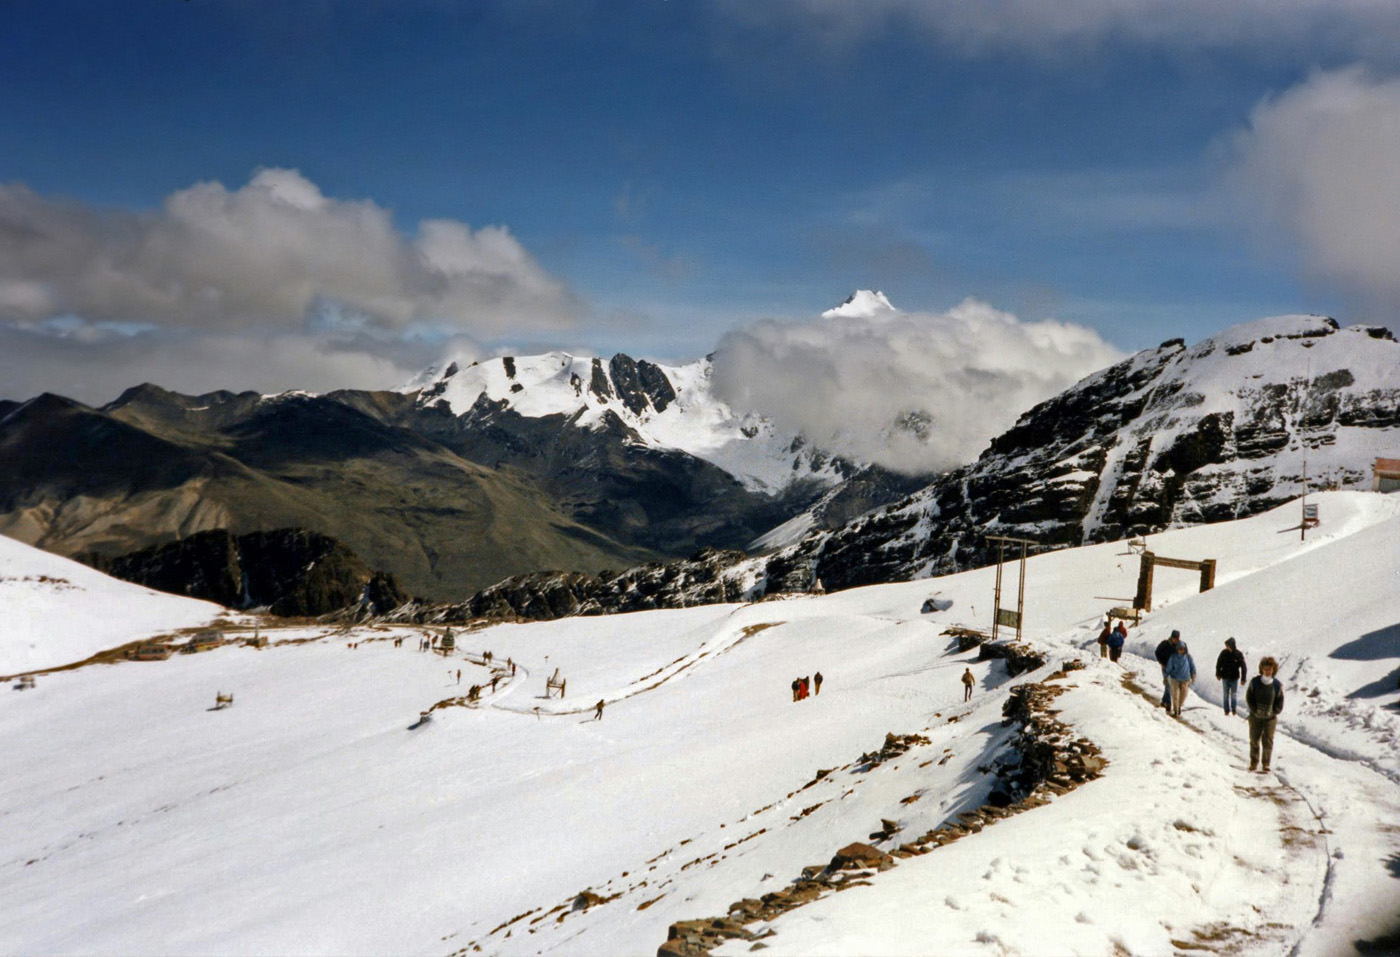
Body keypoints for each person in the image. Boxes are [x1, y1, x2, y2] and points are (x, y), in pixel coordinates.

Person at [1246, 656, 1285, 772]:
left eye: (1270, 669)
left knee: (1268, 740)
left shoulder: (1277, 685)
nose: (1267, 671)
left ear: (1273, 670)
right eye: (1265, 669)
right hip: (1255, 717)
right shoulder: (1255, 682)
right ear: (1261, 669)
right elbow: (1249, 697)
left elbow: (1280, 701)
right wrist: (1254, 709)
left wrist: (1273, 712)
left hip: (1270, 719)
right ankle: (1254, 762)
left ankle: (1266, 764)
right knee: (1254, 739)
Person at [1215, 638, 1248, 716]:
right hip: (1225, 677)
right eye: (1226, 646)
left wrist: (1243, 678)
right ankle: (1226, 710)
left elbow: (1243, 667)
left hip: (1234, 678)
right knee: (1225, 694)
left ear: (1232, 645)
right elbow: (1218, 663)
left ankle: (1234, 710)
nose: (1227, 647)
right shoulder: (1223, 653)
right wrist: (1218, 674)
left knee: (1233, 694)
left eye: (1228, 645)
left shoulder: (1238, 654)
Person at [1164, 640, 1197, 717]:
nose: (1181, 650)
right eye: (1179, 649)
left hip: (1185, 679)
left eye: (1182, 649)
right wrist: (1165, 677)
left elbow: (1192, 666)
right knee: (1175, 695)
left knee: (1183, 695)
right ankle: (1176, 711)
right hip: (1174, 678)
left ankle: (1178, 706)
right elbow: (1169, 667)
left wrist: (1193, 675)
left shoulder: (1188, 657)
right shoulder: (1173, 657)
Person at [1155, 630, 1181, 708]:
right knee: (1168, 684)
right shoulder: (1165, 644)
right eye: (1174, 638)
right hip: (1165, 667)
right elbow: (1157, 652)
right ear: (1172, 637)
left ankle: (1164, 701)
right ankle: (1168, 703)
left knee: (1169, 685)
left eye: (1177, 639)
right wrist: (1161, 662)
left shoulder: (1178, 646)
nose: (1176, 640)